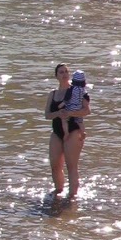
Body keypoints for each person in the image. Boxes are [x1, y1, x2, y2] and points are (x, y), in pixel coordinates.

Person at [46, 64, 91, 199]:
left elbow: (87, 110)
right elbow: (47, 115)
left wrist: (71, 112)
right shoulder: (52, 94)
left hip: (73, 130)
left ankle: (72, 197)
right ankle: (58, 192)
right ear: (56, 76)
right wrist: (58, 113)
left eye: (66, 72)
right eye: (61, 72)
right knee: (55, 164)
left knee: (71, 165)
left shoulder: (76, 91)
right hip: (57, 131)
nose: (64, 74)